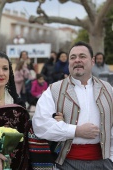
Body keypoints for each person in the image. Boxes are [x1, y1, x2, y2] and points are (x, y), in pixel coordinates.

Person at [32, 41, 113, 170]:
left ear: (92, 61)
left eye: (82, 56)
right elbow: (40, 125)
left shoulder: (108, 89)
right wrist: (75, 131)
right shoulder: (54, 90)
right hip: (67, 163)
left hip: (104, 163)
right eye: (73, 57)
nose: (77, 60)